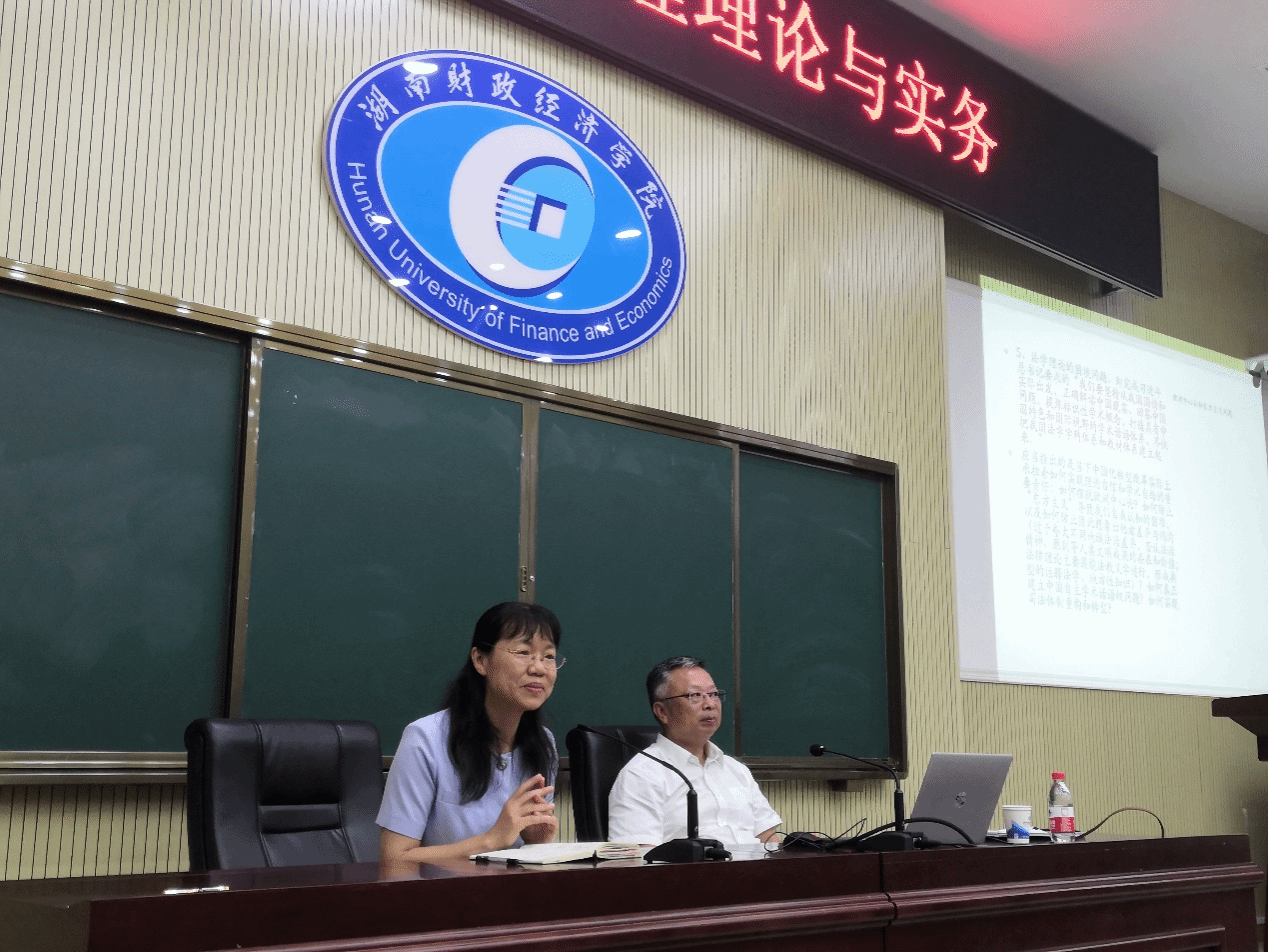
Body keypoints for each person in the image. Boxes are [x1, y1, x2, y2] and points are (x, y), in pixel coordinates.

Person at [377, 602, 562, 864]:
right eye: (523, 652)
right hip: (441, 889)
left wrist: (535, 843)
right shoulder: (424, 740)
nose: (539, 668)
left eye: (549, 656)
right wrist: (492, 840)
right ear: (480, 660)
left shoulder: (544, 743)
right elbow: (394, 860)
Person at [607, 656, 781, 845]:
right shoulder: (641, 775)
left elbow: (769, 840)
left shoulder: (736, 770)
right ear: (662, 712)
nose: (710, 704)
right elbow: (640, 855)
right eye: (695, 695)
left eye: (713, 694)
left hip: (754, 864)